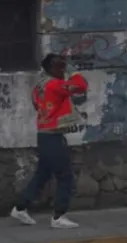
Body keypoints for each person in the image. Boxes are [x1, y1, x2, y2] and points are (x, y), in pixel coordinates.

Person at [10, 53, 88, 230]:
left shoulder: (39, 87)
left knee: (43, 174)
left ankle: (21, 207)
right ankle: (59, 216)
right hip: (53, 135)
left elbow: (37, 106)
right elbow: (81, 86)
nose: (63, 70)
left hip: (44, 134)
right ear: (51, 68)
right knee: (65, 175)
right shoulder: (55, 85)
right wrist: (73, 71)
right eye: (60, 67)